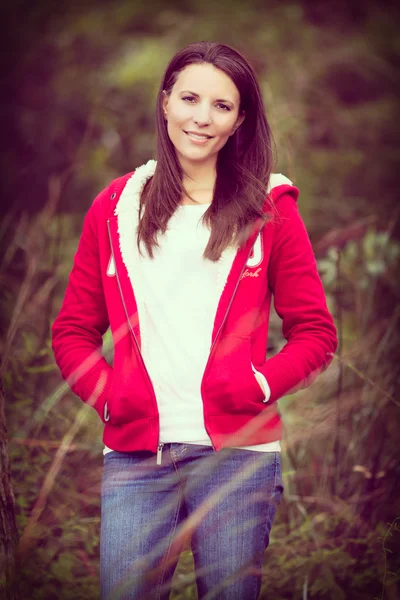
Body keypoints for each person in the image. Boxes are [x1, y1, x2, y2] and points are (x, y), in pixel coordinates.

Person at [52, 41, 338, 600]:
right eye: (189, 98)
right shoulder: (115, 208)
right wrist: (112, 398)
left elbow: (316, 332)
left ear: (239, 122)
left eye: (222, 106)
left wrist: (258, 384)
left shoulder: (270, 209)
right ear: (165, 103)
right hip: (137, 457)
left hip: (238, 460)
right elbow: (72, 331)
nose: (201, 118)